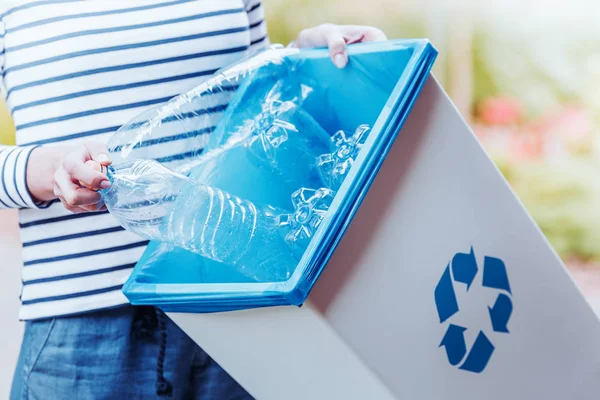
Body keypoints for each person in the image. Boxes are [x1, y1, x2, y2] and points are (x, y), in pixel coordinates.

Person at [0, 1, 386, 398]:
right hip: (87, 335)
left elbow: (253, 99)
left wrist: (309, 59)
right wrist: (48, 172)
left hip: (243, 309)